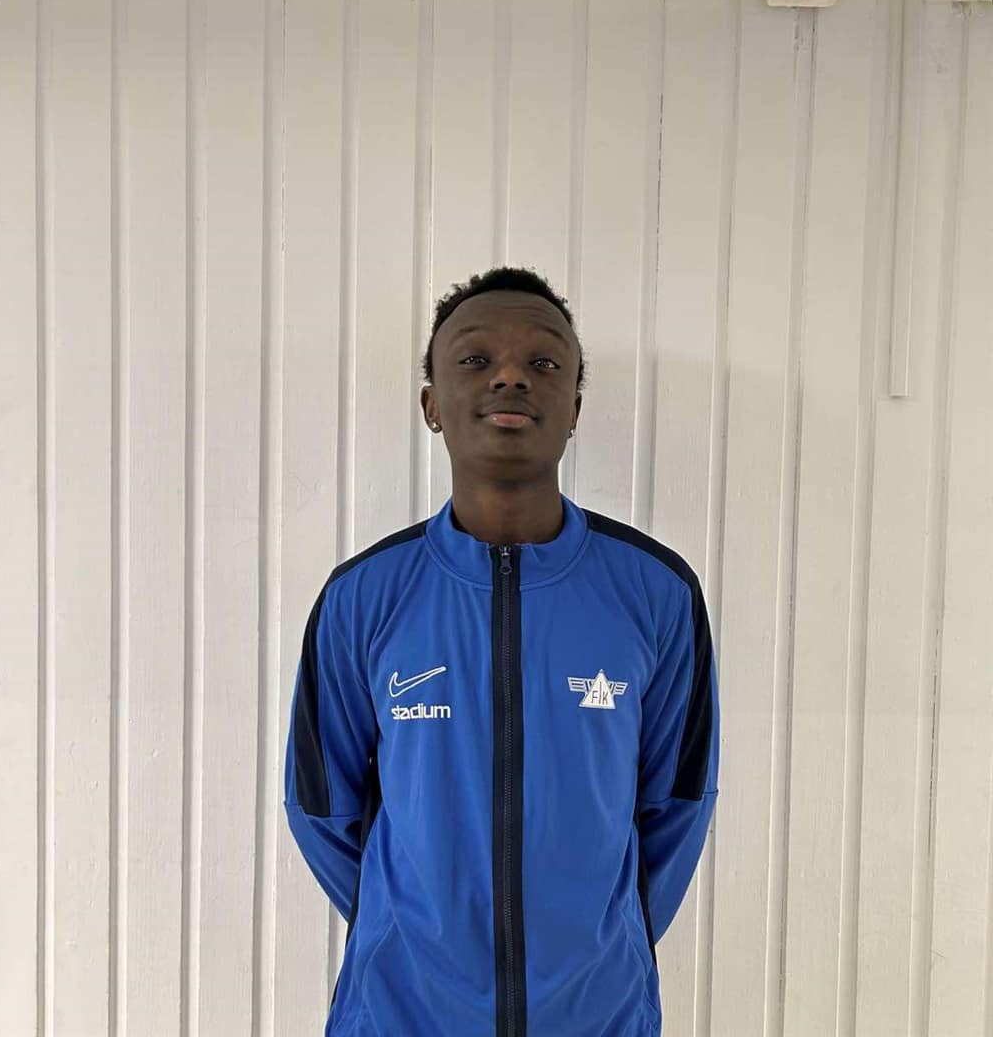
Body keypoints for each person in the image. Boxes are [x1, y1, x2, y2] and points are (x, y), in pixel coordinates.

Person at [282, 265, 720, 1036]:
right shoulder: (364, 597)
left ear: (574, 407)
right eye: (476, 359)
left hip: (598, 1015)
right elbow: (322, 808)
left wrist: (592, 946)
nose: (510, 376)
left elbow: (677, 803)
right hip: (400, 1015)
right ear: (432, 405)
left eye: (543, 362)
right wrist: (414, 932)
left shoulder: (655, 592)